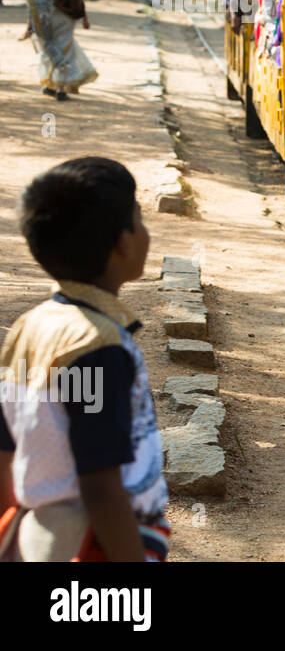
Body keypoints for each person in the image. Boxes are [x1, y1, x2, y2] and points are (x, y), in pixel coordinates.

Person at [0, 157, 169, 561]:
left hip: (41, 534)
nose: (146, 232)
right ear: (123, 242)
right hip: (96, 543)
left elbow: (6, 447)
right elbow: (99, 481)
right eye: (139, 219)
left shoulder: (30, 326)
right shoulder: (97, 347)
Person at [22, 0, 97, 101]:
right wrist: (85, 18)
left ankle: (50, 85)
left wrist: (30, 26)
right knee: (65, 50)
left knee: (49, 50)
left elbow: (33, 6)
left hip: (45, 19)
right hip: (65, 18)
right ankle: (61, 88)